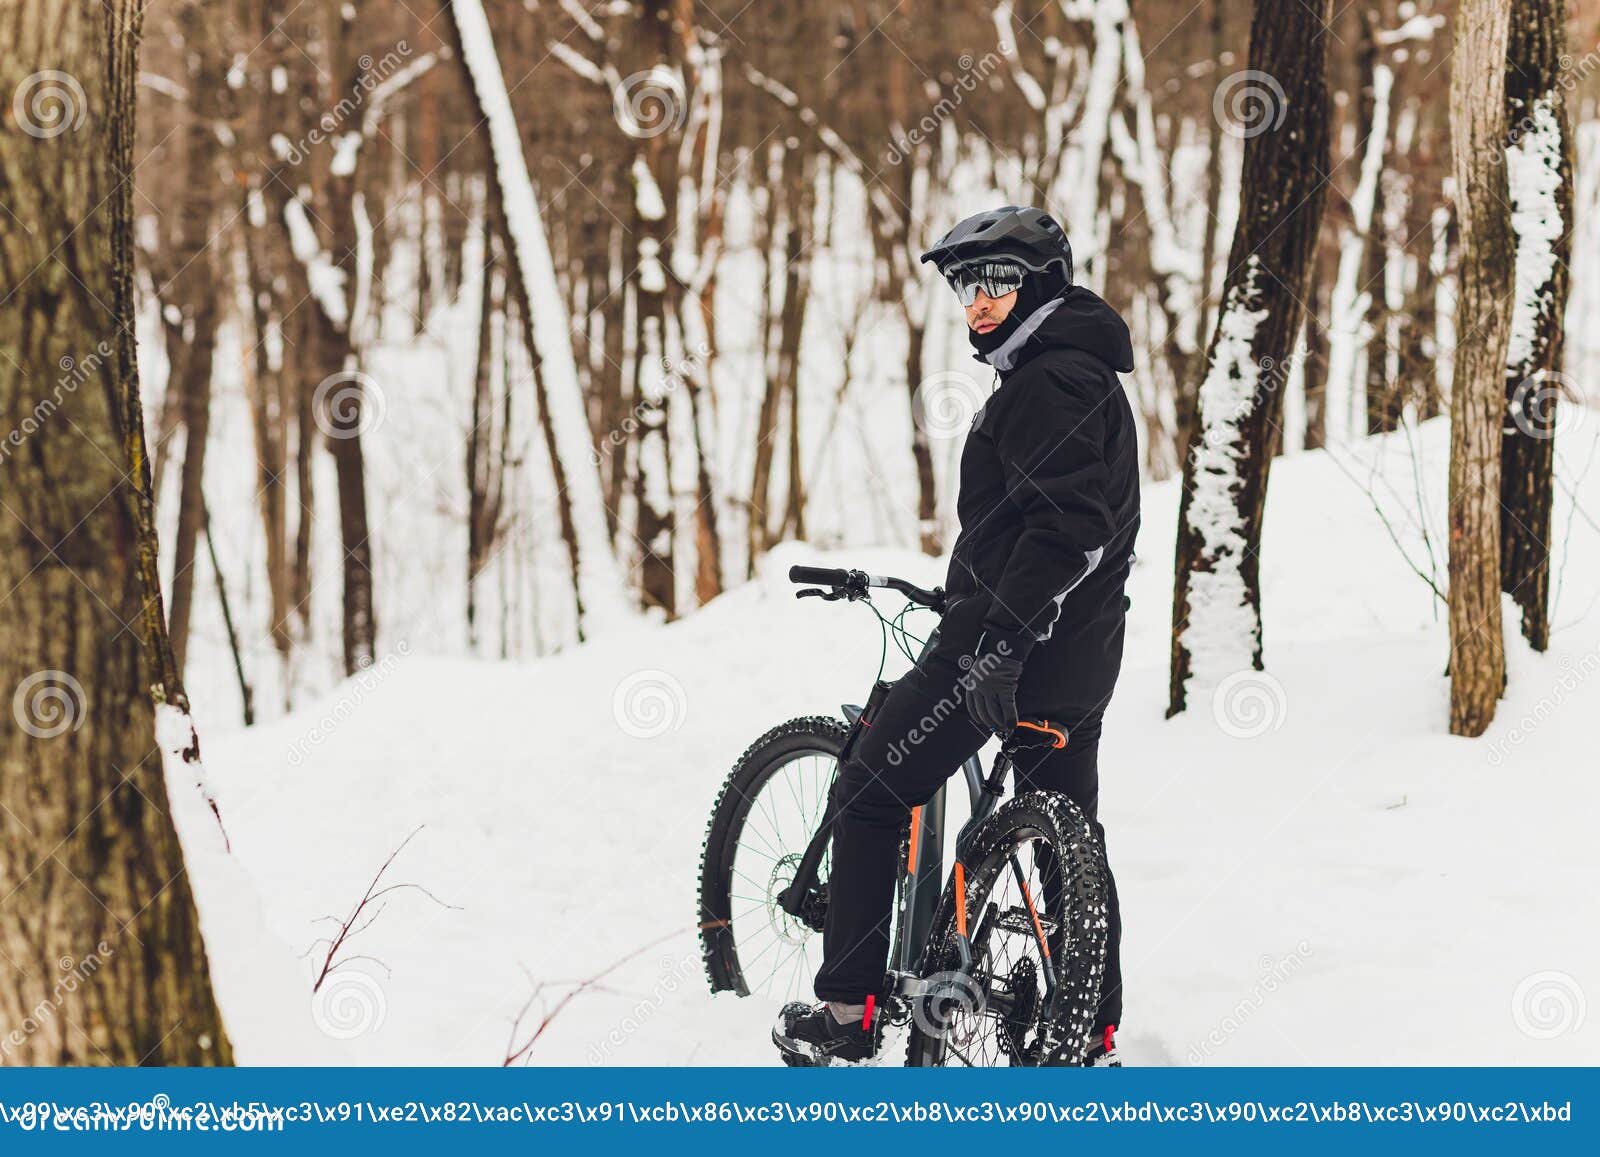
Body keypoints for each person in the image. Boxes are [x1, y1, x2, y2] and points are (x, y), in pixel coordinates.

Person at [771, 206, 1139, 1066]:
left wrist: (1000, 635)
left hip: (1003, 655)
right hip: (1080, 658)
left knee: (870, 791)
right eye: (967, 286)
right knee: (1072, 846)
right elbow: (1051, 528)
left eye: (996, 283)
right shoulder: (1079, 371)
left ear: (1041, 286)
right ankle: (1091, 1030)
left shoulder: (1050, 381)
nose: (977, 302)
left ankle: (850, 1011)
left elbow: (1068, 533)